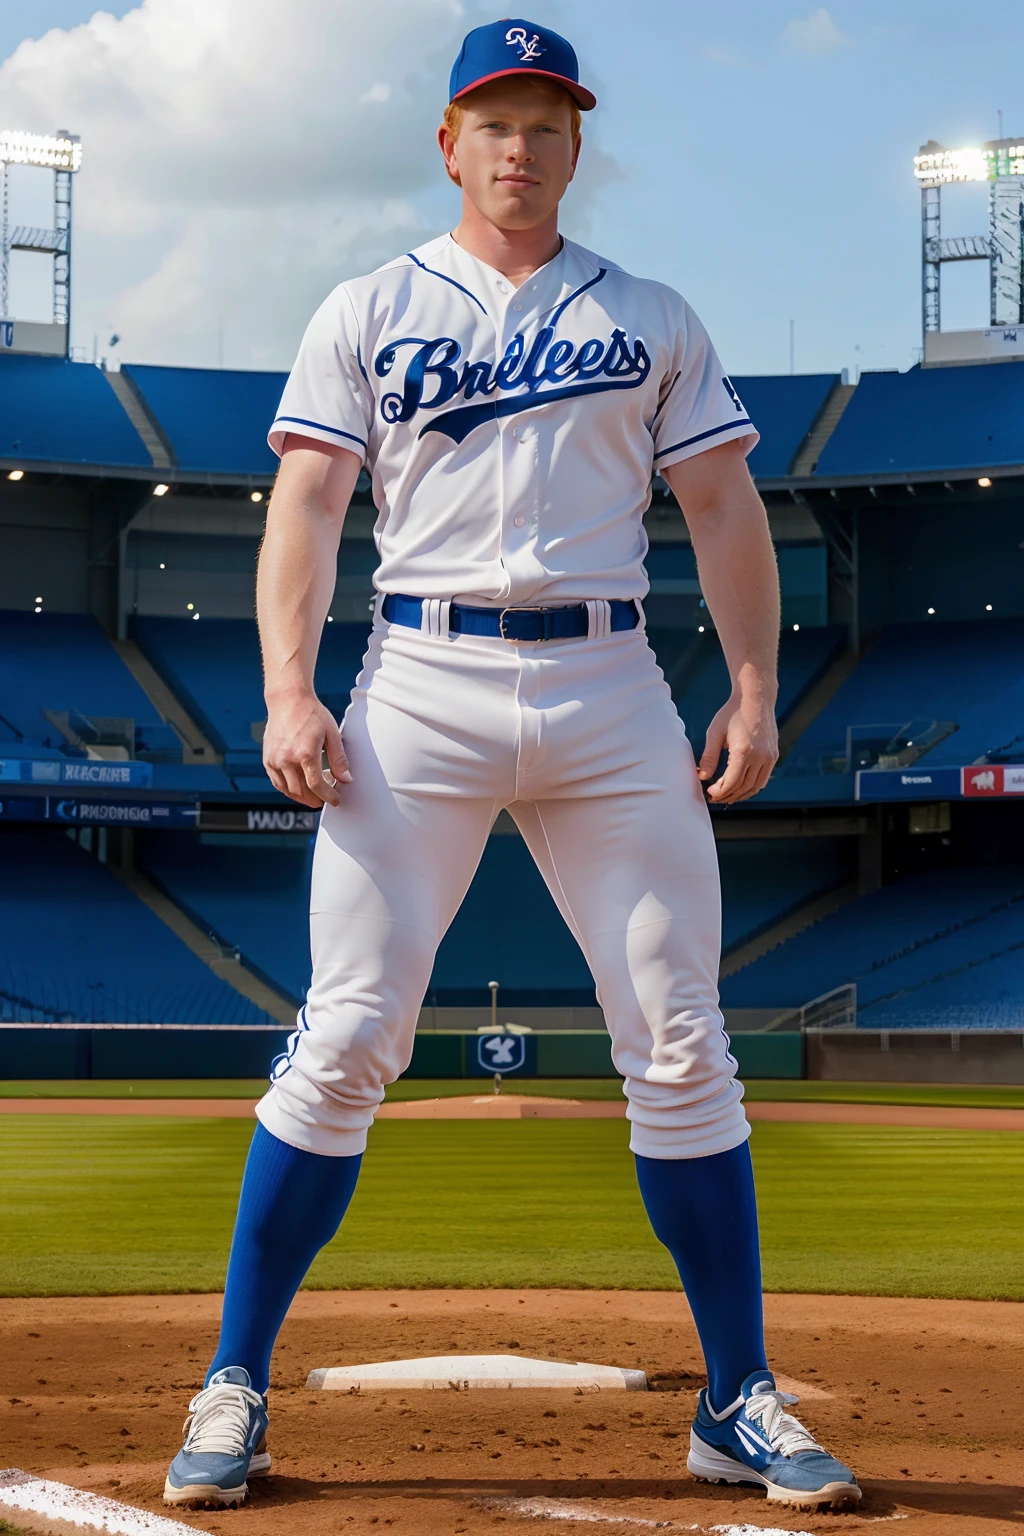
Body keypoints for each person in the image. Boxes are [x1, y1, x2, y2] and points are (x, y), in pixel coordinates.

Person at [163, 17, 860, 1514]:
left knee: (681, 1045)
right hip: (419, 680)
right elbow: (307, 503)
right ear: (449, 143)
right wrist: (288, 689)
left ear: (577, 146)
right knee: (349, 1034)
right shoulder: (369, 305)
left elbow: (726, 510)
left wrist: (750, 685)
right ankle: (234, 1382)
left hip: (615, 685)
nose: (522, 148)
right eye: (496, 121)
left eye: (548, 123)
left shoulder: (653, 314)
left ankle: (736, 1399)